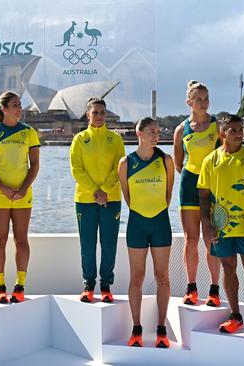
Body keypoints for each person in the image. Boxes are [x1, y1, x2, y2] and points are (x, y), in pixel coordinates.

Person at [197, 114, 244, 340]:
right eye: (233, 130)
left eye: (241, 129)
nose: (239, 133)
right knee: (228, 269)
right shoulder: (210, 161)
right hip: (221, 227)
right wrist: (207, 225)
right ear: (222, 133)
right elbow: (203, 196)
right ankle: (236, 316)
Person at [117, 117, 174, 348]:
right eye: (151, 131)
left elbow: (168, 194)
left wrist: (156, 211)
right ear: (139, 133)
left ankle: (161, 329)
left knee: (162, 277)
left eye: (158, 132)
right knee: (137, 278)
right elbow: (128, 197)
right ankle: (137, 328)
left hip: (160, 222)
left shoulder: (166, 160)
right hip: (137, 224)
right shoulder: (126, 163)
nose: (156, 135)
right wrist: (142, 213)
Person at [0, 91, 40, 303]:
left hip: (23, 194)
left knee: (21, 239)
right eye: (15, 105)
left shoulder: (29, 132)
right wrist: (3, 188)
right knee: (0, 239)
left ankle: (20, 285)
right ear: (3, 108)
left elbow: (34, 165)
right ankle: (0, 286)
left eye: (20, 104)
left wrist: (23, 188)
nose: (19, 108)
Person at [70, 97, 125, 303]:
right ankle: (88, 285)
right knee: (88, 244)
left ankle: (106, 285)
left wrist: (104, 190)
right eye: (95, 112)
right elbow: (76, 169)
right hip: (85, 199)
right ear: (88, 115)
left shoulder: (115, 139)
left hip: (111, 199)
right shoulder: (79, 139)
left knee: (109, 243)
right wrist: (95, 191)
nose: (99, 116)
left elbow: (118, 168)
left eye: (102, 112)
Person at [172, 80, 221, 306]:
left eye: (206, 98)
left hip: (213, 186)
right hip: (190, 184)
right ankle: (191, 288)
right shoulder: (181, 129)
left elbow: (224, 156)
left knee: (211, 238)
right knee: (191, 239)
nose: (203, 103)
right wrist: (196, 176)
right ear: (189, 102)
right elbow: (179, 164)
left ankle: (214, 289)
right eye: (199, 99)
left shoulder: (217, 126)